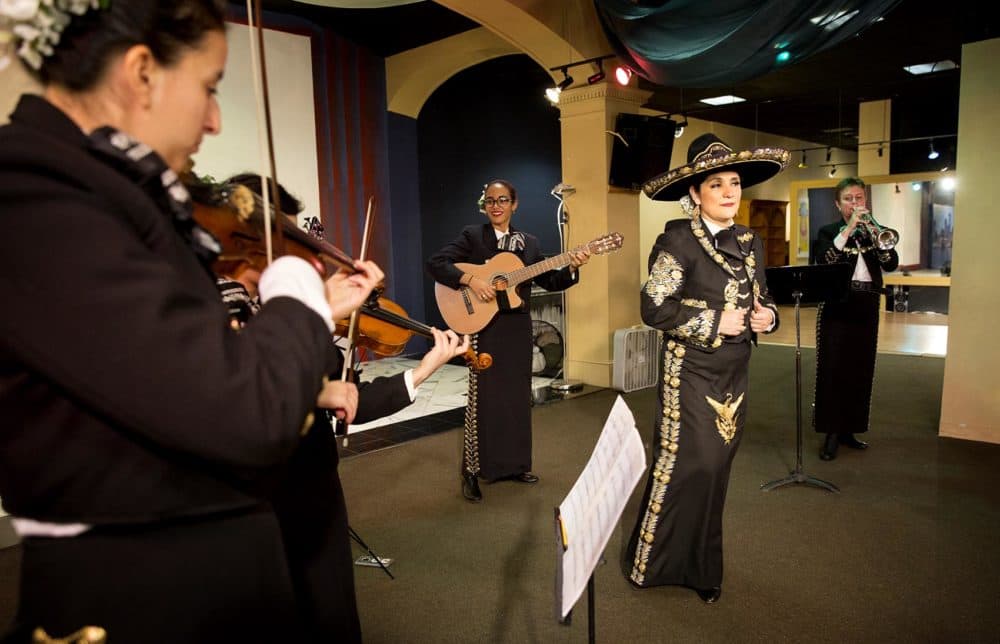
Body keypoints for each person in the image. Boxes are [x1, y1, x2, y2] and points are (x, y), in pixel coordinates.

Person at [0, 3, 385, 642]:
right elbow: (244, 410)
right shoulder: (36, 196)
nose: (213, 119)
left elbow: (180, 377)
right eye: (208, 86)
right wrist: (295, 285)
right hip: (142, 601)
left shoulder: (102, 191)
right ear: (141, 72)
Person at [209, 172, 470, 642]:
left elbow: (350, 403)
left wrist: (427, 365)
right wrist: (317, 317)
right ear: (244, 239)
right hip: (272, 502)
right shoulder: (223, 306)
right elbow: (246, 395)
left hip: (313, 488)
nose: (298, 254)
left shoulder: (275, 306)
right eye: (285, 237)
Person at [622, 133, 787, 603]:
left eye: (734, 182)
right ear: (695, 194)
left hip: (735, 371)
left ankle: (702, 567)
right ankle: (650, 563)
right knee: (686, 464)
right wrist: (716, 318)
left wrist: (766, 317)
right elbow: (654, 308)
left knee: (717, 469)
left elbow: (764, 295)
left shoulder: (751, 241)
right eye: (717, 185)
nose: (730, 192)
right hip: (691, 371)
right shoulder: (677, 240)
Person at [426, 179, 590, 502]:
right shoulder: (473, 237)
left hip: (517, 329)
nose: (496, 206)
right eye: (490, 201)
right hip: (484, 328)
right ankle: (472, 472)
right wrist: (471, 279)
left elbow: (550, 277)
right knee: (481, 402)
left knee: (516, 399)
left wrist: (570, 266)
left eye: (503, 200)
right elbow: (437, 264)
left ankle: (513, 465)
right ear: (484, 206)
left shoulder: (529, 244)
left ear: (514, 205)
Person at [812, 177, 899, 460]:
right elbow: (823, 261)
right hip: (838, 304)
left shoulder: (876, 231)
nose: (855, 203)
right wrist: (848, 229)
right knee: (833, 369)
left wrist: (877, 237)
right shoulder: (828, 231)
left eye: (859, 198)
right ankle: (832, 433)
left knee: (861, 369)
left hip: (867, 304)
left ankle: (851, 429)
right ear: (838, 204)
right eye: (849, 199)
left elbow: (892, 262)